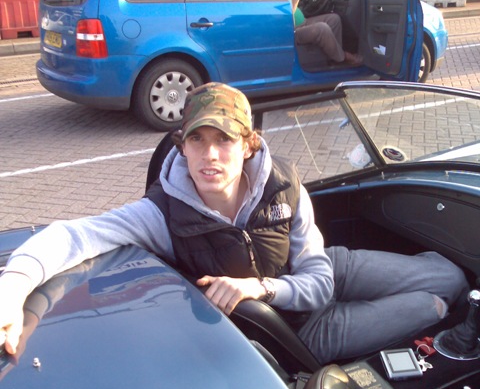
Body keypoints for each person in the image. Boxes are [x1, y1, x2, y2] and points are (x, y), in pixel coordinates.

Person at [0, 83, 468, 364]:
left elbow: (319, 279)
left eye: (224, 140)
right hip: (297, 331)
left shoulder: (284, 186)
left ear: (247, 145)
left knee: (451, 277)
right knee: (432, 307)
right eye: (197, 140)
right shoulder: (162, 213)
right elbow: (73, 236)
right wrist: (11, 290)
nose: (210, 155)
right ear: (182, 146)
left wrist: (258, 287)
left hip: (318, 274)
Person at [292, 0, 363, 66]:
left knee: (334, 19)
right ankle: (342, 57)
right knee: (322, 29)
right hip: (291, 30)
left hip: (302, 22)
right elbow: (287, 14)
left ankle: (333, 57)